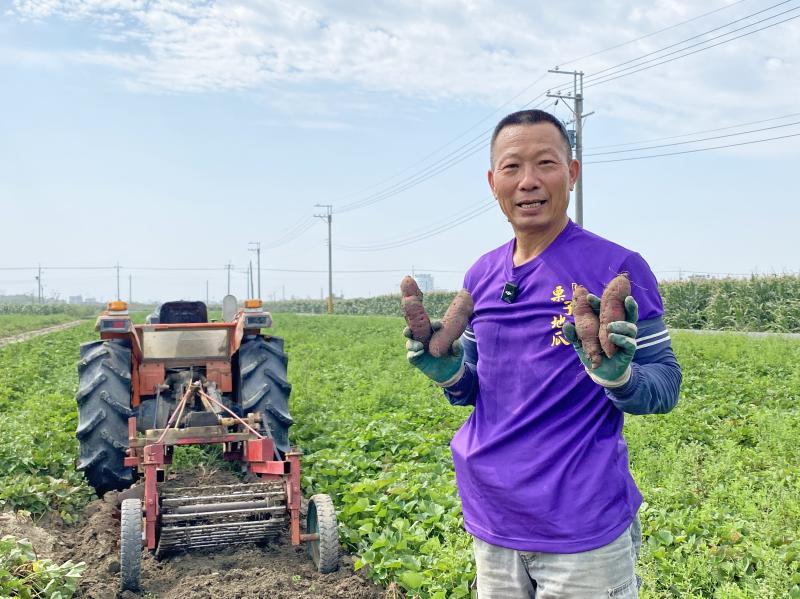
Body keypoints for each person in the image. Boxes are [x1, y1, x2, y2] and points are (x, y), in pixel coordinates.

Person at [404, 109, 682, 599]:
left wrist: (620, 379)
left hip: (582, 527)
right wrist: (450, 374)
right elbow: (475, 386)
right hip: (492, 518)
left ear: (572, 173)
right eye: (512, 168)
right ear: (493, 182)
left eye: (546, 164)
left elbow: (665, 385)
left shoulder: (617, 266)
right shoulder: (480, 277)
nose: (528, 181)